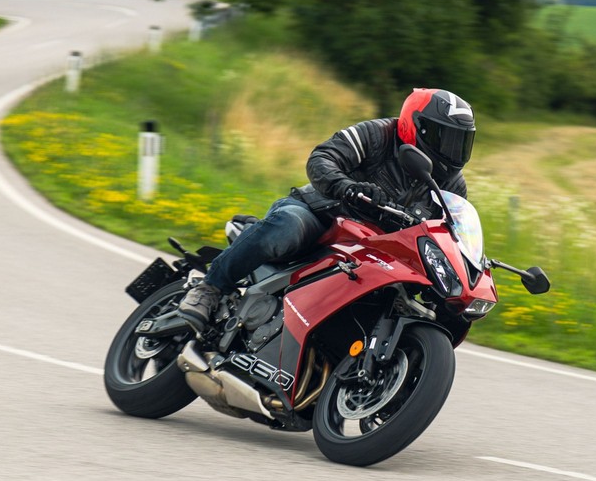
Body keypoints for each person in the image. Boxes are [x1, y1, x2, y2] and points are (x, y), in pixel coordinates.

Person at [176, 88, 476, 330]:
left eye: (460, 141)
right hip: (326, 215)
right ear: (415, 126)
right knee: (286, 227)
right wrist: (346, 186)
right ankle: (210, 288)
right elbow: (322, 158)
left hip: (380, 247)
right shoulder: (379, 134)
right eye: (443, 137)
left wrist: (471, 258)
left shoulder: (452, 183)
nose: (452, 150)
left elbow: (452, 228)